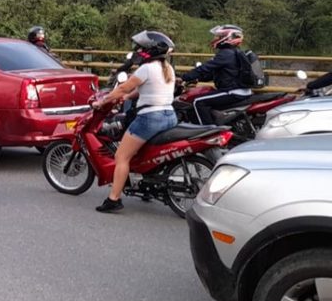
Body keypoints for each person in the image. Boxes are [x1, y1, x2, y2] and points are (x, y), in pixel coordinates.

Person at [93, 31, 177, 214]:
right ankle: (146, 186)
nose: (138, 51)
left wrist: (102, 101)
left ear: (149, 50)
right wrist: (129, 97)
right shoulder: (168, 68)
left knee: (121, 157)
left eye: (140, 48)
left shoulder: (145, 69)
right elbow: (149, 90)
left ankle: (113, 199)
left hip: (150, 118)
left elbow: (123, 87)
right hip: (169, 115)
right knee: (144, 151)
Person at [180, 25, 252, 125]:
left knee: (198, 102)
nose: (215, 39)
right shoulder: (234, 52)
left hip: (232, 92)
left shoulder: (226, 53)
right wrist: (198, 79)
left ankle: (209, 133)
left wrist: (182, 77)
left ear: (228, 38)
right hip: (241, 91)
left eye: (218, 36)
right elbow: (217, 72)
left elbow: (205, 68)